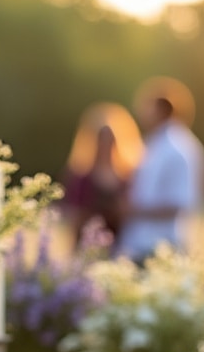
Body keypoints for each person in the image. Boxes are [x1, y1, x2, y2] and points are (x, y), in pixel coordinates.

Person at [115, 76, 204, 262]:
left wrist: (133, 211)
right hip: (141, 244)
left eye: (146, 107)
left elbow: (179, 204)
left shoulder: (179, 147)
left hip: (162, 246)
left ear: (159, 109)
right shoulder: (156, 144)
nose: (141, 113)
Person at [59, 102, 145, 249]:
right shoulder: (82, 177)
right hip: (87, 245)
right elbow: (73, 215)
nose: (106, 144)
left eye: (110, 139)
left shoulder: (127, 176)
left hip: (120, 244)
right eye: (102, 139)